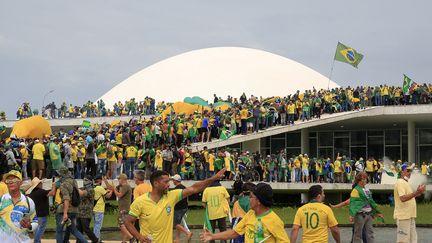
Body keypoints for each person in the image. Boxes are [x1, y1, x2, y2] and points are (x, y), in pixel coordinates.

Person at [124, 168, 227, 243]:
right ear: (155, 183)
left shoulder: (171, 196)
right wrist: (139, 237)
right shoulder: (140, 202)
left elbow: (194, 188)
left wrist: (213, 178)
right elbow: (128, 222)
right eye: (166, 182)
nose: (169, 184)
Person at [201, 182, 289, 243]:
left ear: (258, 201)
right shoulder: (250, 214)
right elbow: (234, 233)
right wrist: (213, 236)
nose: (248, 199)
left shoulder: (274, 220)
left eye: (250, 197)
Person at [0, 170, 38, 243]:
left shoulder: (29, 202)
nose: (10, 182)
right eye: (8, 180)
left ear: (21, 182)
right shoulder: (1, 200)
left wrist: (29, 226)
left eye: (14, 179)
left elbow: (35, 221)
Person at [55, 166, 88, 243]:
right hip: (75, 209)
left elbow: (66, 199)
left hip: (65, 210)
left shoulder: (63, 184)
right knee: (74, 230)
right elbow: (79, 193)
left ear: (62, 174)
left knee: (59, 231)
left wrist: (65, 213)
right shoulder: (74, 181)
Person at [394, 164, 426, 243]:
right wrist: (417, 192)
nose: (409, 173)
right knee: (403, 240)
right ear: (401, 172)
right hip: (403, 216)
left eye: (410, 171)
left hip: (409, 216)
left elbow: (409, 198)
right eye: (407, 171)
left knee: (413, 240)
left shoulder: (405, 182)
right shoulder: (400, 182)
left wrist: (418, 193)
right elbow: (403, 198)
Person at [349, 172, 384, 243]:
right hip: (360, 215)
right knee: (357, 234)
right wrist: (351, 215)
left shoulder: (367, 190)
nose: (365, 180)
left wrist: (378, 212)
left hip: (369, 214)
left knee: (370, 234)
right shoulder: (355, 190)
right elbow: (353, 203)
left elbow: (372, 202)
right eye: (364, 179)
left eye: (366, 179)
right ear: (359, 180)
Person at [104, 173, 133, 242]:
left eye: (119, 179)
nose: (118, 180)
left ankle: (131, 237)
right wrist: (105, 181)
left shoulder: (126, 186)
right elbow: (111, 188)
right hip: (123, 208)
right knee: (123, 226)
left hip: (124, 209)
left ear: (123, 179)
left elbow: (119, 195)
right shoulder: (121, 186)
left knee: (121, 224)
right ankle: (124, 241)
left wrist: (114, 189)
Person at [27, 177, 56, 243]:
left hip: (34, 214)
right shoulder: (41, 192)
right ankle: (36, 241)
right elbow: (52, 193)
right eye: (40, 183)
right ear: (38, 184)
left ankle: (37, 241)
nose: (42, 184)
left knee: (36, 229)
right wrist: (54, 186)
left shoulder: (31, 193)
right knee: (41, 228)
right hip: (42, 214)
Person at [76, 175, 99, 243]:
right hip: (80, 212)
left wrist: (74, 185)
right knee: (79, 229)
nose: (84, 181)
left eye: (86, 180)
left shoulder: (91, 190)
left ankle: (96, 241)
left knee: (86, 229)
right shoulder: (83, 188)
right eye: (83, 180)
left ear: (90, 181)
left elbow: (81, 193)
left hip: (86, 213)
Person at [171, 174, 193, 243]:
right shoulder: (184, 187)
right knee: (178, 223)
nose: (172, 181)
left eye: (173, 180)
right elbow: (187, 198)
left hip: (178, 208)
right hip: (184, 208)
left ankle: (187, 232)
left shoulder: (175, 189)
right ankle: (177, 239)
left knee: (175, 224)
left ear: (175, 181)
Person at [93, 176, 113, 240]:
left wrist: (106, 182)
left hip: (94, 209)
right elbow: (108, 196)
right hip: (99, 209)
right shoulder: (100, 188)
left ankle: (97, 239)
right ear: (99, 181)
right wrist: (112, 191)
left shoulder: (94, 187)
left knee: (95, 225)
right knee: (98, 226)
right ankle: (96, 240)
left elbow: (106, 191)